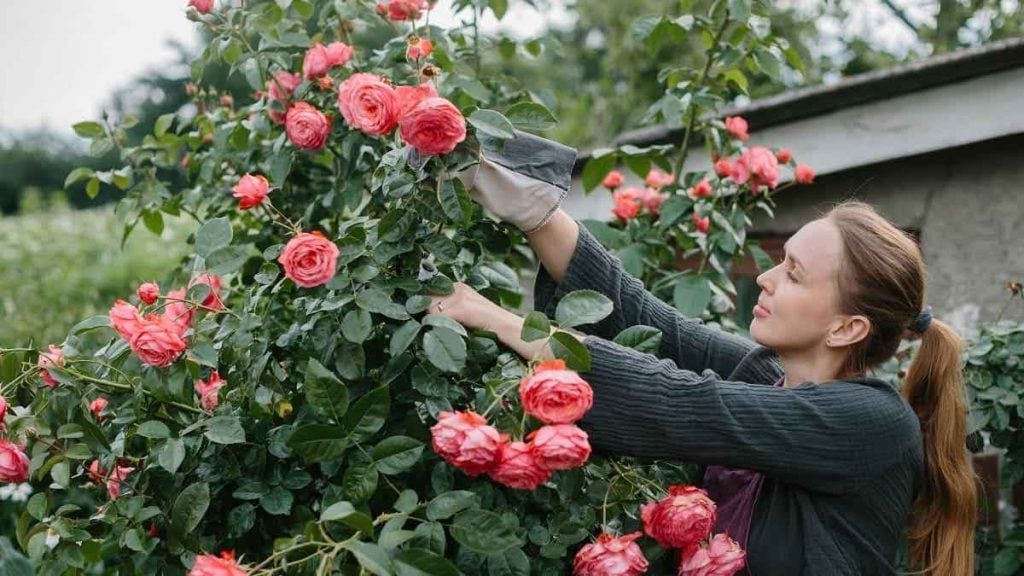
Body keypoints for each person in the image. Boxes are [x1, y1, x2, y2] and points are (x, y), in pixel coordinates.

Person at [427, 132, 978, 575]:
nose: (764, 278)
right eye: (778, 261)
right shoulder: (765, 373)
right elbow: (641, 317)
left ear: (845, 327)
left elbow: (682, 403)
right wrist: (536, 209)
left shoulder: (872, 423)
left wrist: (494, 318)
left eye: (794, 274)